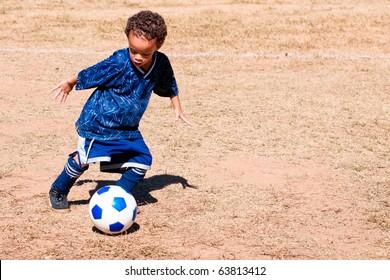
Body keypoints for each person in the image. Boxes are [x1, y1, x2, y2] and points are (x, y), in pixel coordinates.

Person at [49, 10, 191, 213]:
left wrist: (177, 107)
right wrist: (70, 83)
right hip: (98, 125)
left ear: (158, 46)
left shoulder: (161, 63)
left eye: (145, 53)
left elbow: (169, 84)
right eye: (133, 50)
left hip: (127, 128)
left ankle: (116, 197)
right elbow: (94, 72)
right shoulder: (120, 61)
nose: (138, 57)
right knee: (82, 160)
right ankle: (58, 190)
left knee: (143, 161)